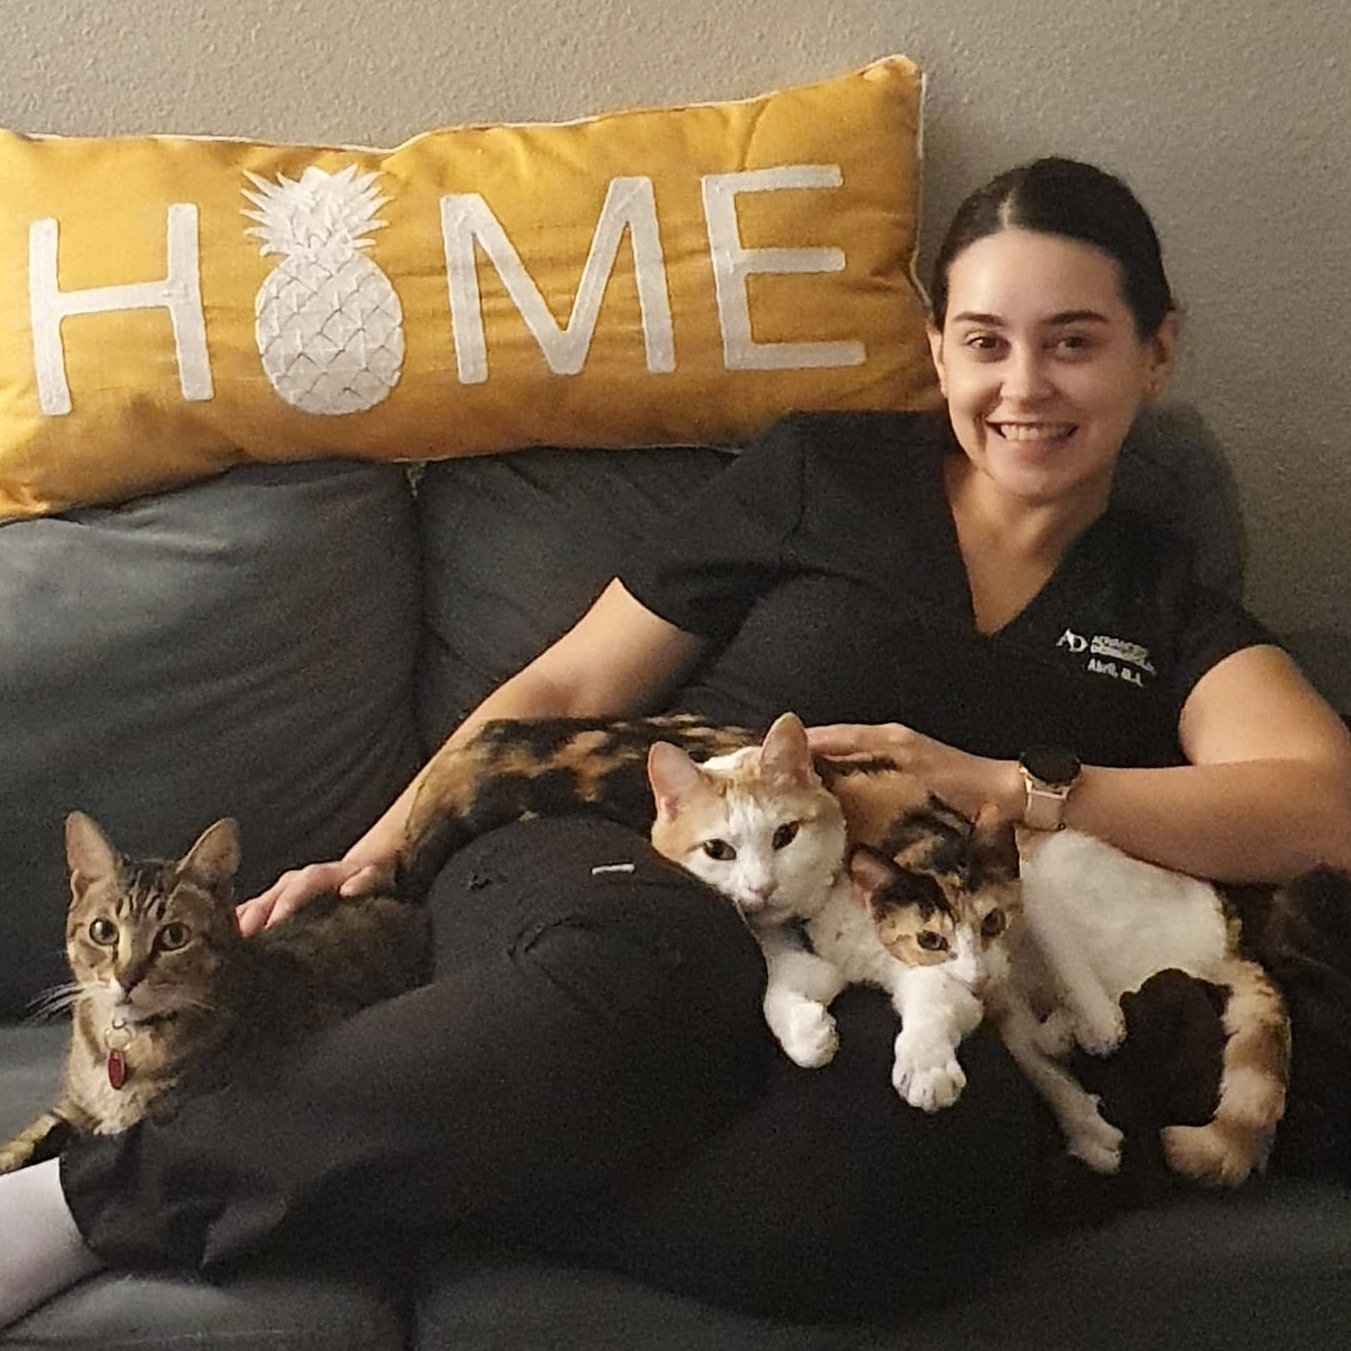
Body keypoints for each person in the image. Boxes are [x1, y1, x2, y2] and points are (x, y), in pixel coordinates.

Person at [5, 156, 1351, 1329]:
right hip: (607, 860)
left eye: (1074, 342)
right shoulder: (823, 472)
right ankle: (89, 1199)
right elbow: (575, 676)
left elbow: (1320, 805)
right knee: (655, 973)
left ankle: (435, 1193)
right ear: (939, 350)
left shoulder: (1161, 600)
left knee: (927, 1179)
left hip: (849, 956)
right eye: (988, 341)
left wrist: (1003, 783)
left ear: (1156, 350)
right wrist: (374, 857)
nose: (1024, 386)